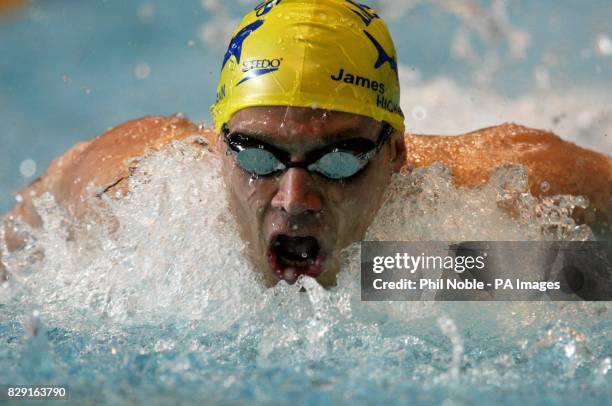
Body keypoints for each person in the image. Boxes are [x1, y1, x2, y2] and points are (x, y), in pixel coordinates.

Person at [2, 0, 611, 286]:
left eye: (340, 158)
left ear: (395, 155)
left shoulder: (496, 199)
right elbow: (20, 236)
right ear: (219, 145)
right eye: (258, 154)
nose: (295, 198)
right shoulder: (134, 197)